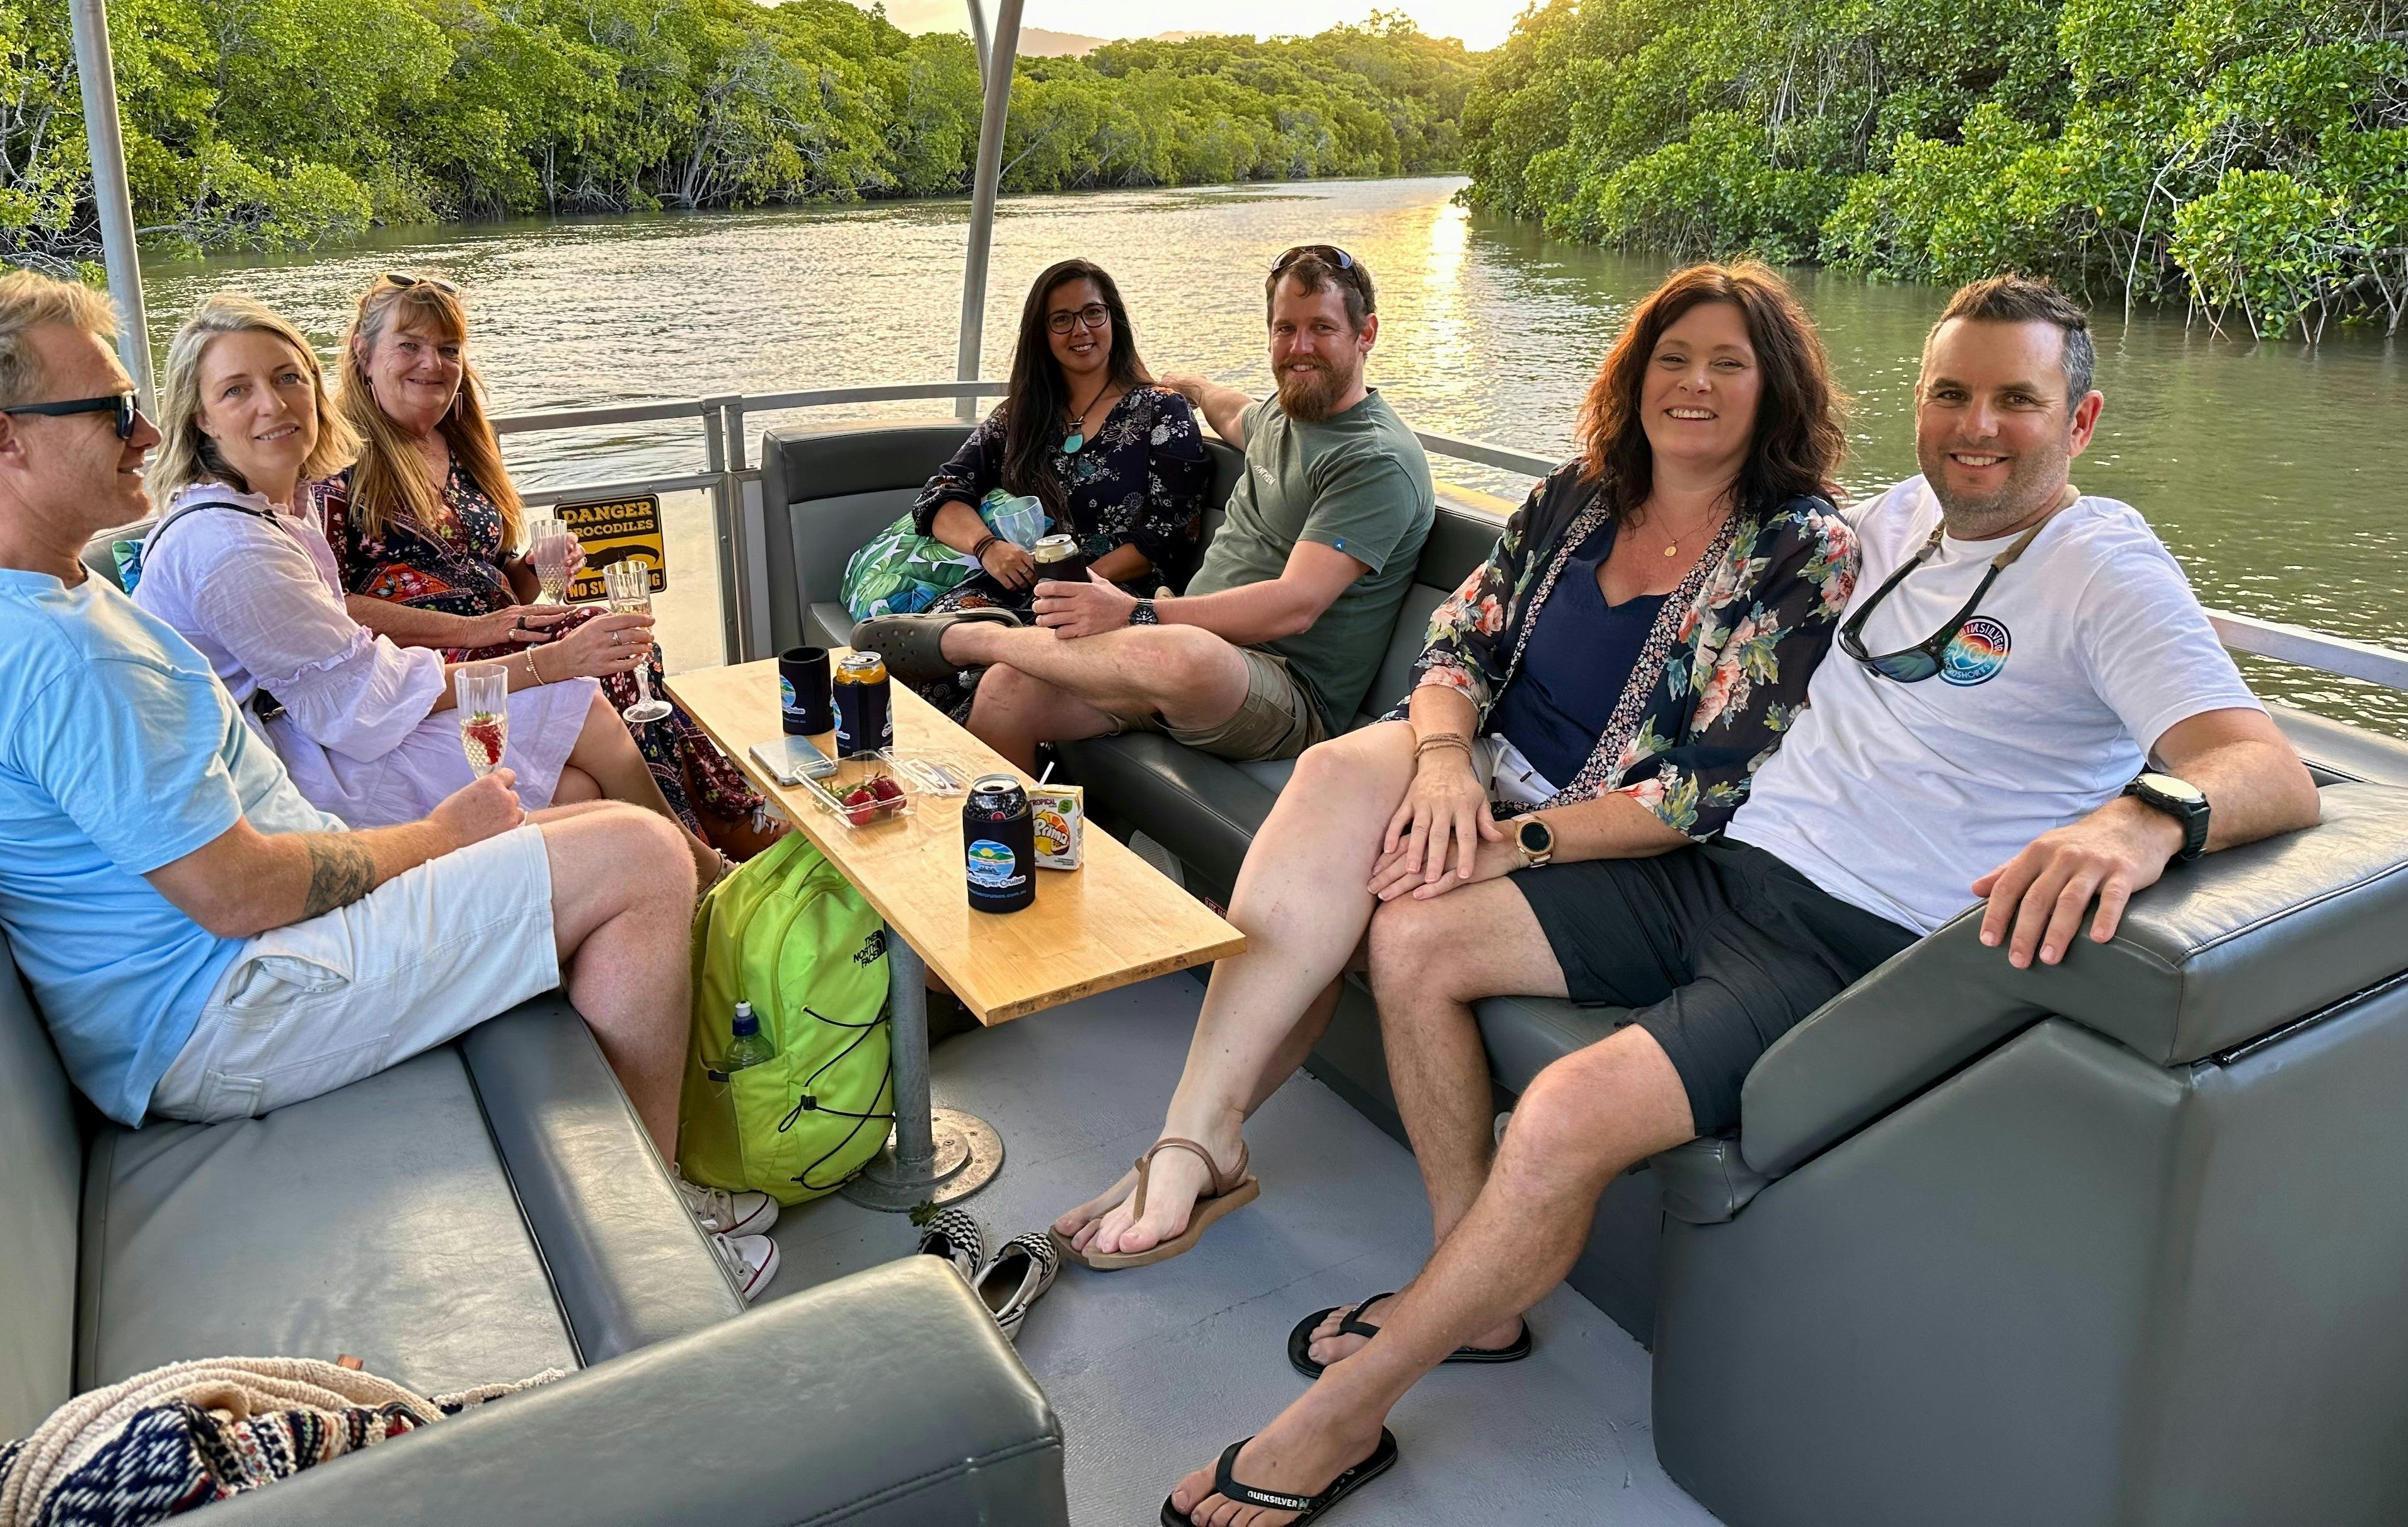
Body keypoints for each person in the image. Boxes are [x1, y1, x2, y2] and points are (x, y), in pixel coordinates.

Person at [1155, 274, 2321, 1527]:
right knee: (1418, 929)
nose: (1978, 425)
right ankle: (1477, 1292)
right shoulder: (1880, 530)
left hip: (1845, 948)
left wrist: (2137, 819)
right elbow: (1713, 559)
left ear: (2078, 423)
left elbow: (2265, 767)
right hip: (1715, 876)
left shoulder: (2104, 569)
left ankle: (1345, 1415)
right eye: (1951, 393)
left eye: (2018, 401)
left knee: (1561, 1114)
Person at [0, 277, 781, 1298]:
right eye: (114, 410)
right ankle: (652, 1241)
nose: (143, 435)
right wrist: (443, 832)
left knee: (587, 806)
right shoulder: (65, 659)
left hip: (182, 984)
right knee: (637, 853)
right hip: (224, 1004)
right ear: (2, 440)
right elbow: (238, 892)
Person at [1054, 260, 1862, 1269]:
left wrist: (1507, 842)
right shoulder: (1578, 495)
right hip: (1473, 754)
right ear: (1637, 375)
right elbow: (1458, 641)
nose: (1693, 384)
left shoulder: (1799, 548)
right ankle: (1195, 1132)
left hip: (1611, 833)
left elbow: (1705, 787)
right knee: (1332, 778)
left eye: (1727, 364)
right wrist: (1442, 765)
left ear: (1773, 387)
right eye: (1673, 358)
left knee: (1386, 897)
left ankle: (1216, 1157)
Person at [132, 294, 725, 886]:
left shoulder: (281, 509)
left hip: (324, 721)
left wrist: (530, 582)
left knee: (579, 780)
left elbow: (369, 651)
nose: (273, 403)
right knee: (582, 689)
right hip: (280, 775)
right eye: (236, 390)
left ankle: (683, 859)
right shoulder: (237, 542)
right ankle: (706, 872)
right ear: (200, 417)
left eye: (288, 378)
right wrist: (542, 660)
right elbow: (360, 691)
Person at [860, 244, 1435, 776]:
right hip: (1173, 641)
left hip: (1281, 689)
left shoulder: (1375, 460)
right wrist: (1197, 386)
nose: (1299, 347)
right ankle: (1012, 871)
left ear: (1367, 335)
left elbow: (1295, 608)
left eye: (1322, 330)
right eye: (1286, 328)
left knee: (1184, 655)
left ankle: (978, 640)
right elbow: (1234, 414)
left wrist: (1133, 615)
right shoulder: (1283, 419)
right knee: (1007, 691)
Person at [311, 273, 768, 855]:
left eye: (448, 350)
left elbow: (511, 593)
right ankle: (716, 827)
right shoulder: (334, 459)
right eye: (410, 346)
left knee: (623, 639)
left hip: (497, 635)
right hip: (420, 667)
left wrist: (535, 565)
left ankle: (706, 825)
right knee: (598, 641)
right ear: (363, 352)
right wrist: (477, 628)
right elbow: (330, 608)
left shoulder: (465, 447)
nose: (433, 364)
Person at [897, 259, 1211, 719]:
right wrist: (989, 548)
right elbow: (941, 494)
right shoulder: (1022, 416)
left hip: (1115, 594)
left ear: (1113, 320)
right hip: (1023, 588)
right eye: (1061, 320)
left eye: (1093, 313)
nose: (1080, 330)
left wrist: (1076, 588)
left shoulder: (1161, 411)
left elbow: (1169, 533)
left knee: (987, 676)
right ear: (1042, 335)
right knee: (928, 656)